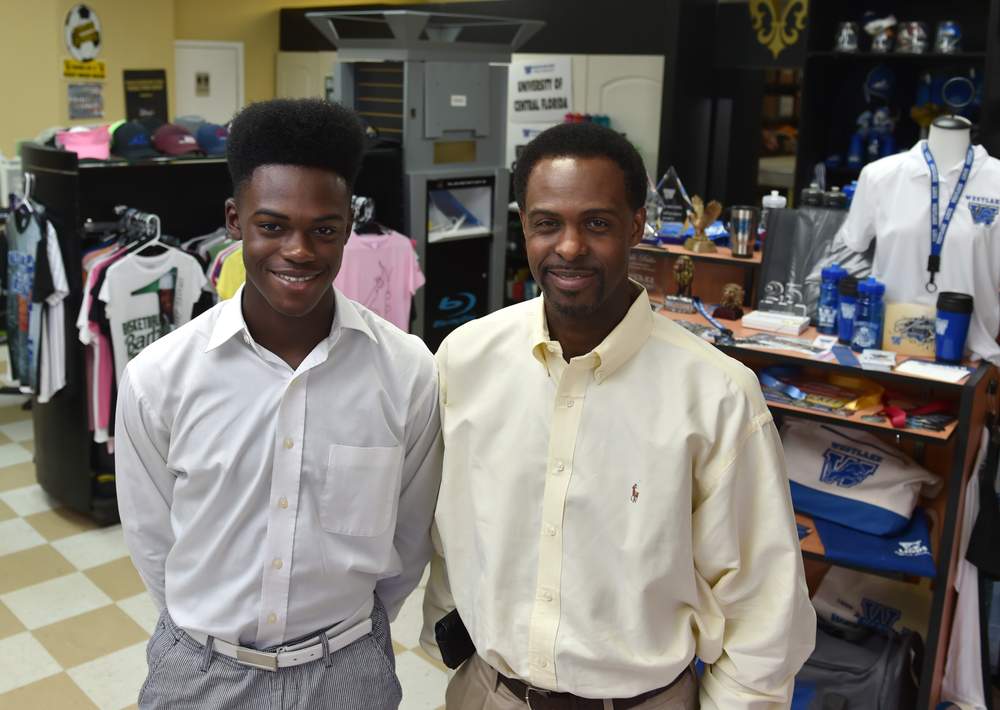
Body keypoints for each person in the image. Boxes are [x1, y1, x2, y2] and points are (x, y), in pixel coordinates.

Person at [422, 122, 815, 709]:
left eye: (597, 223)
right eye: (547, 222)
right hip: (487, 692)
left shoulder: (717, 395)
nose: (570, 246)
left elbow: (764, 610)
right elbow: (447, 537)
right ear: (523, 225)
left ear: (636, 224)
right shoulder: (466, 359)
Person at [116, 98, 442, 709]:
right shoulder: (160, 377)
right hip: (201, 670)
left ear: (349, 225)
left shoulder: (406, 371)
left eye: (323, 228)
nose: (299, 250)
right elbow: (152, 538)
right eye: (272, 226)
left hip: (347, 671)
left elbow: (408, 536)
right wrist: (206, 635)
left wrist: (348, 641)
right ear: (235, 221)